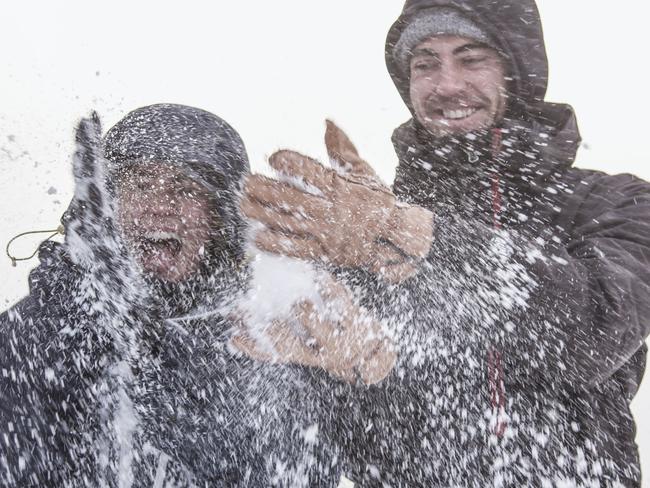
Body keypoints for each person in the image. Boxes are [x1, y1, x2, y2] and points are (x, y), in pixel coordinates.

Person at [240, 1, 650, 486]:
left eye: (471, 58)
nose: (448, 84)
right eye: (425, 64)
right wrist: (351, 374)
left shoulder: (614, 201)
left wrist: (423, 240)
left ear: (518, 72)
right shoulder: (359, 229)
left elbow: (593, 332)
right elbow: (336, 446)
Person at [0, 103, 381, 487]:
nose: (159, 207)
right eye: (141, 185)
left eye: (185, 189)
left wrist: (362, 388)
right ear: (110, 203)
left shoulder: (268, 343)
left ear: (222, 220)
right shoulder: (30, 337)